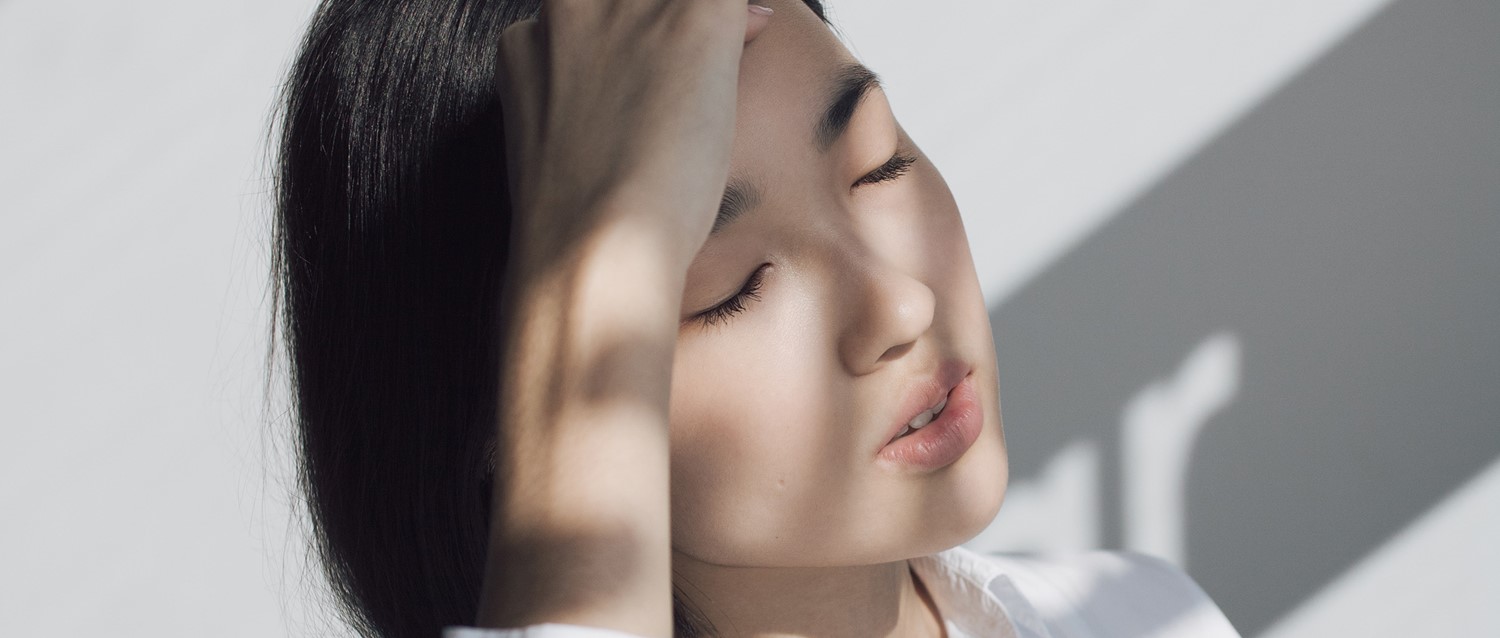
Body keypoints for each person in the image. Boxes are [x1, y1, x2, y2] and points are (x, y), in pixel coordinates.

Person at [271, 0, 1241, 636]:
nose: (899, 304)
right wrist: (597, 251)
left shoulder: (1147, 613)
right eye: (729, 286)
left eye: (878, 162)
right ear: (508, 402)